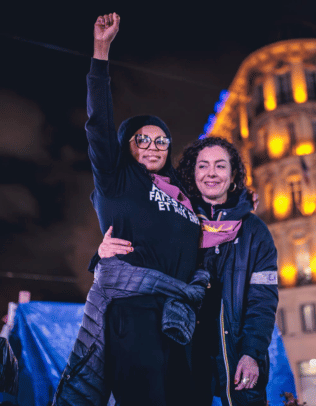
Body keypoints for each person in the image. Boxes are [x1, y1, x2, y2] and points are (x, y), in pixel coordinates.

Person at [52, 13, 207, 406]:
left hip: (179, 313)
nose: (154, 146)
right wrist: (101, 52)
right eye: (144, 138)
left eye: (162, 140)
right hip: (135, 310)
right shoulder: (118, 180)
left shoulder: (183, 195)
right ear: (127, 144)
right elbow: (98, 125)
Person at [99, 137, 280, 406]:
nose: (211, 173)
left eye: (220, 166)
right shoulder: (177, 220)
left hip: (235, 351)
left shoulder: (255, 232)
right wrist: (102, 252)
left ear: (233, 176)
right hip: (181, 347)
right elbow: (140, 255)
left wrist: (251, 353)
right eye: (203, 166)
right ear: (192, 174)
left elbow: (263, 301)